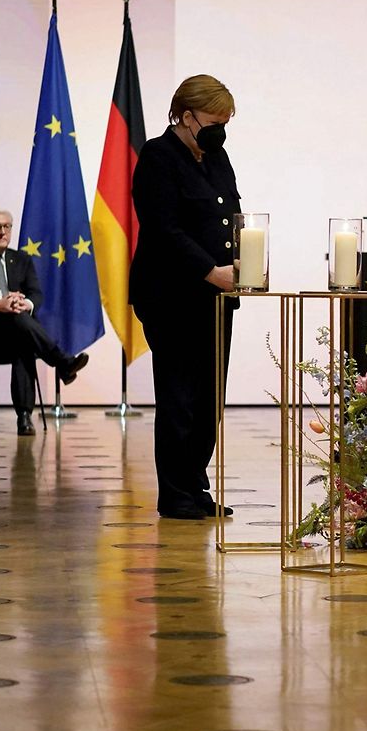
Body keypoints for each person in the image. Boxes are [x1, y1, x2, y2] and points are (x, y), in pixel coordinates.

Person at [130, 75, 239, 520]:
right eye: (214, 122)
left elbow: (230, 216)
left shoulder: (217, 157)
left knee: (210, 399)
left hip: (216, 298)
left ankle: (195, 486)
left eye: (226, 123)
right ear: (186, 115)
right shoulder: (158, 156)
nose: (220, 131)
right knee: (180, 396)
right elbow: (163, 229)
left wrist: (244, 262)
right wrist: (210, 270)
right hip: (171, 297)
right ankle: (175, 493)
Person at [0, 209, 89, 435]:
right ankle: (62, 363)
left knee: (22, 338)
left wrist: (26, 303)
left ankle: (25, 417)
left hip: (15, 334)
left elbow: (36, 294)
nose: (3, 232)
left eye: (7, 226)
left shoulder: (22, 260)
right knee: (20, 326)